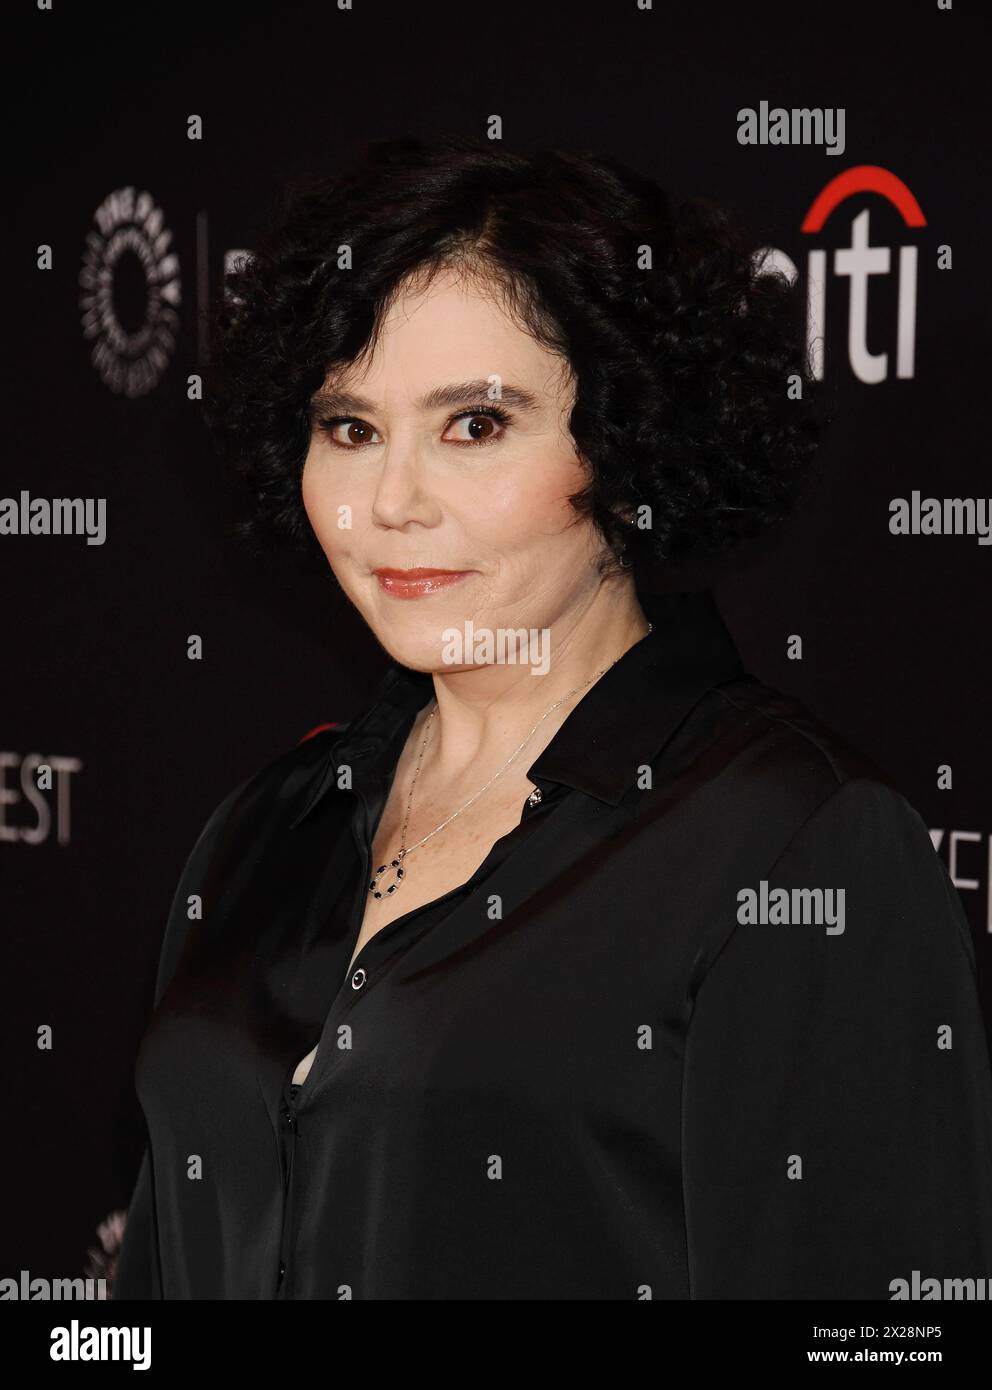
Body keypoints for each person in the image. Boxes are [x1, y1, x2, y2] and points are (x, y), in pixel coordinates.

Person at [112, 134, 992, 1300]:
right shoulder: (264, 832)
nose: (390, 504)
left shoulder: (791, 840)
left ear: (628, 449)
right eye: (349, 427)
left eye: (473, 425)